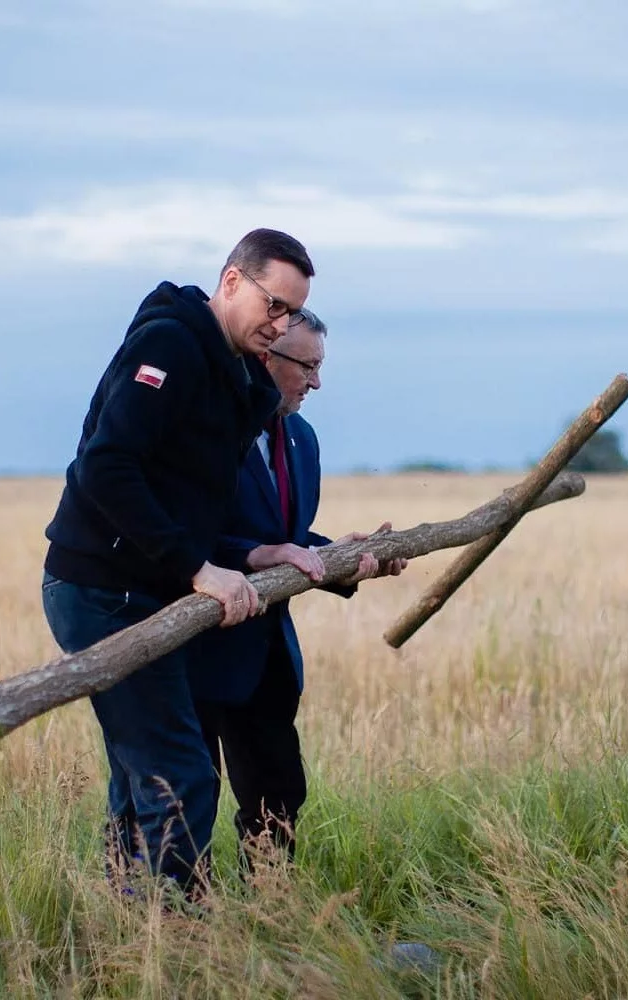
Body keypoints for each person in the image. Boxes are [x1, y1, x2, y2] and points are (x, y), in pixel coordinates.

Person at [39, 228, 317, 901]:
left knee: (146, 772)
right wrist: (197, 568)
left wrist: (255, 553)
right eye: (273, 305)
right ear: (230, 282)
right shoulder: (169, 344)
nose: (279, 326)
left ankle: (134, 920)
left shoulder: (231, 372)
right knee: (180, 775)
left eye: (290, 312)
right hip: (100, 589)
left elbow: (195, 502)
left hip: (149, 588)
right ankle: (177, 942)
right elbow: (105, 467)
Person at [187, 308, 407, 875]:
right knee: (183, 797)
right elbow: (185, 531)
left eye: (320, 367)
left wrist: (341, 556)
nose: (316, 382)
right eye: (307, 366)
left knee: (278, 795)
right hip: (191, 649)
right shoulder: (209, 427)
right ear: (266, 356)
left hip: (266, 655)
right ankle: (174, 928)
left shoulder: (303, 438)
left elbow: (284, 540)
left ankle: (270, 916)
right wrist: (250, 557)